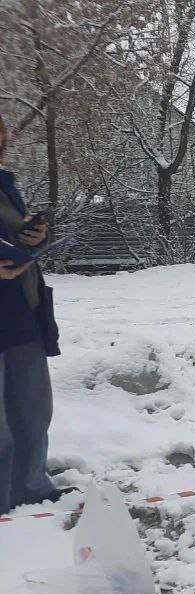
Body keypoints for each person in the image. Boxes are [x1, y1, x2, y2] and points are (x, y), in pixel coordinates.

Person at [0, 112, 68, 516]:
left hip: (21, 310)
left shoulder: (5, 186)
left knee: (32, 407)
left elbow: (14, 239)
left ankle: (30, 489)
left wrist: (35, 236)